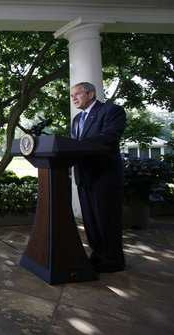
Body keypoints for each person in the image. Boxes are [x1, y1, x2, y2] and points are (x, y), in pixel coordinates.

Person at [69, 82, 126, 273]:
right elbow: (73, 145)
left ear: (91, 94)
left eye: (77, 94)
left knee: (107, 221)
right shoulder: (77, 119)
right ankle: (98, 256)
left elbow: (109, 137)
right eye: (72, 96)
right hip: (84, 177)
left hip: (105, 177)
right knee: (91, 222)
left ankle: (113, 260)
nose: (74, 99)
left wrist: (78, 144)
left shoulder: (111, 111)